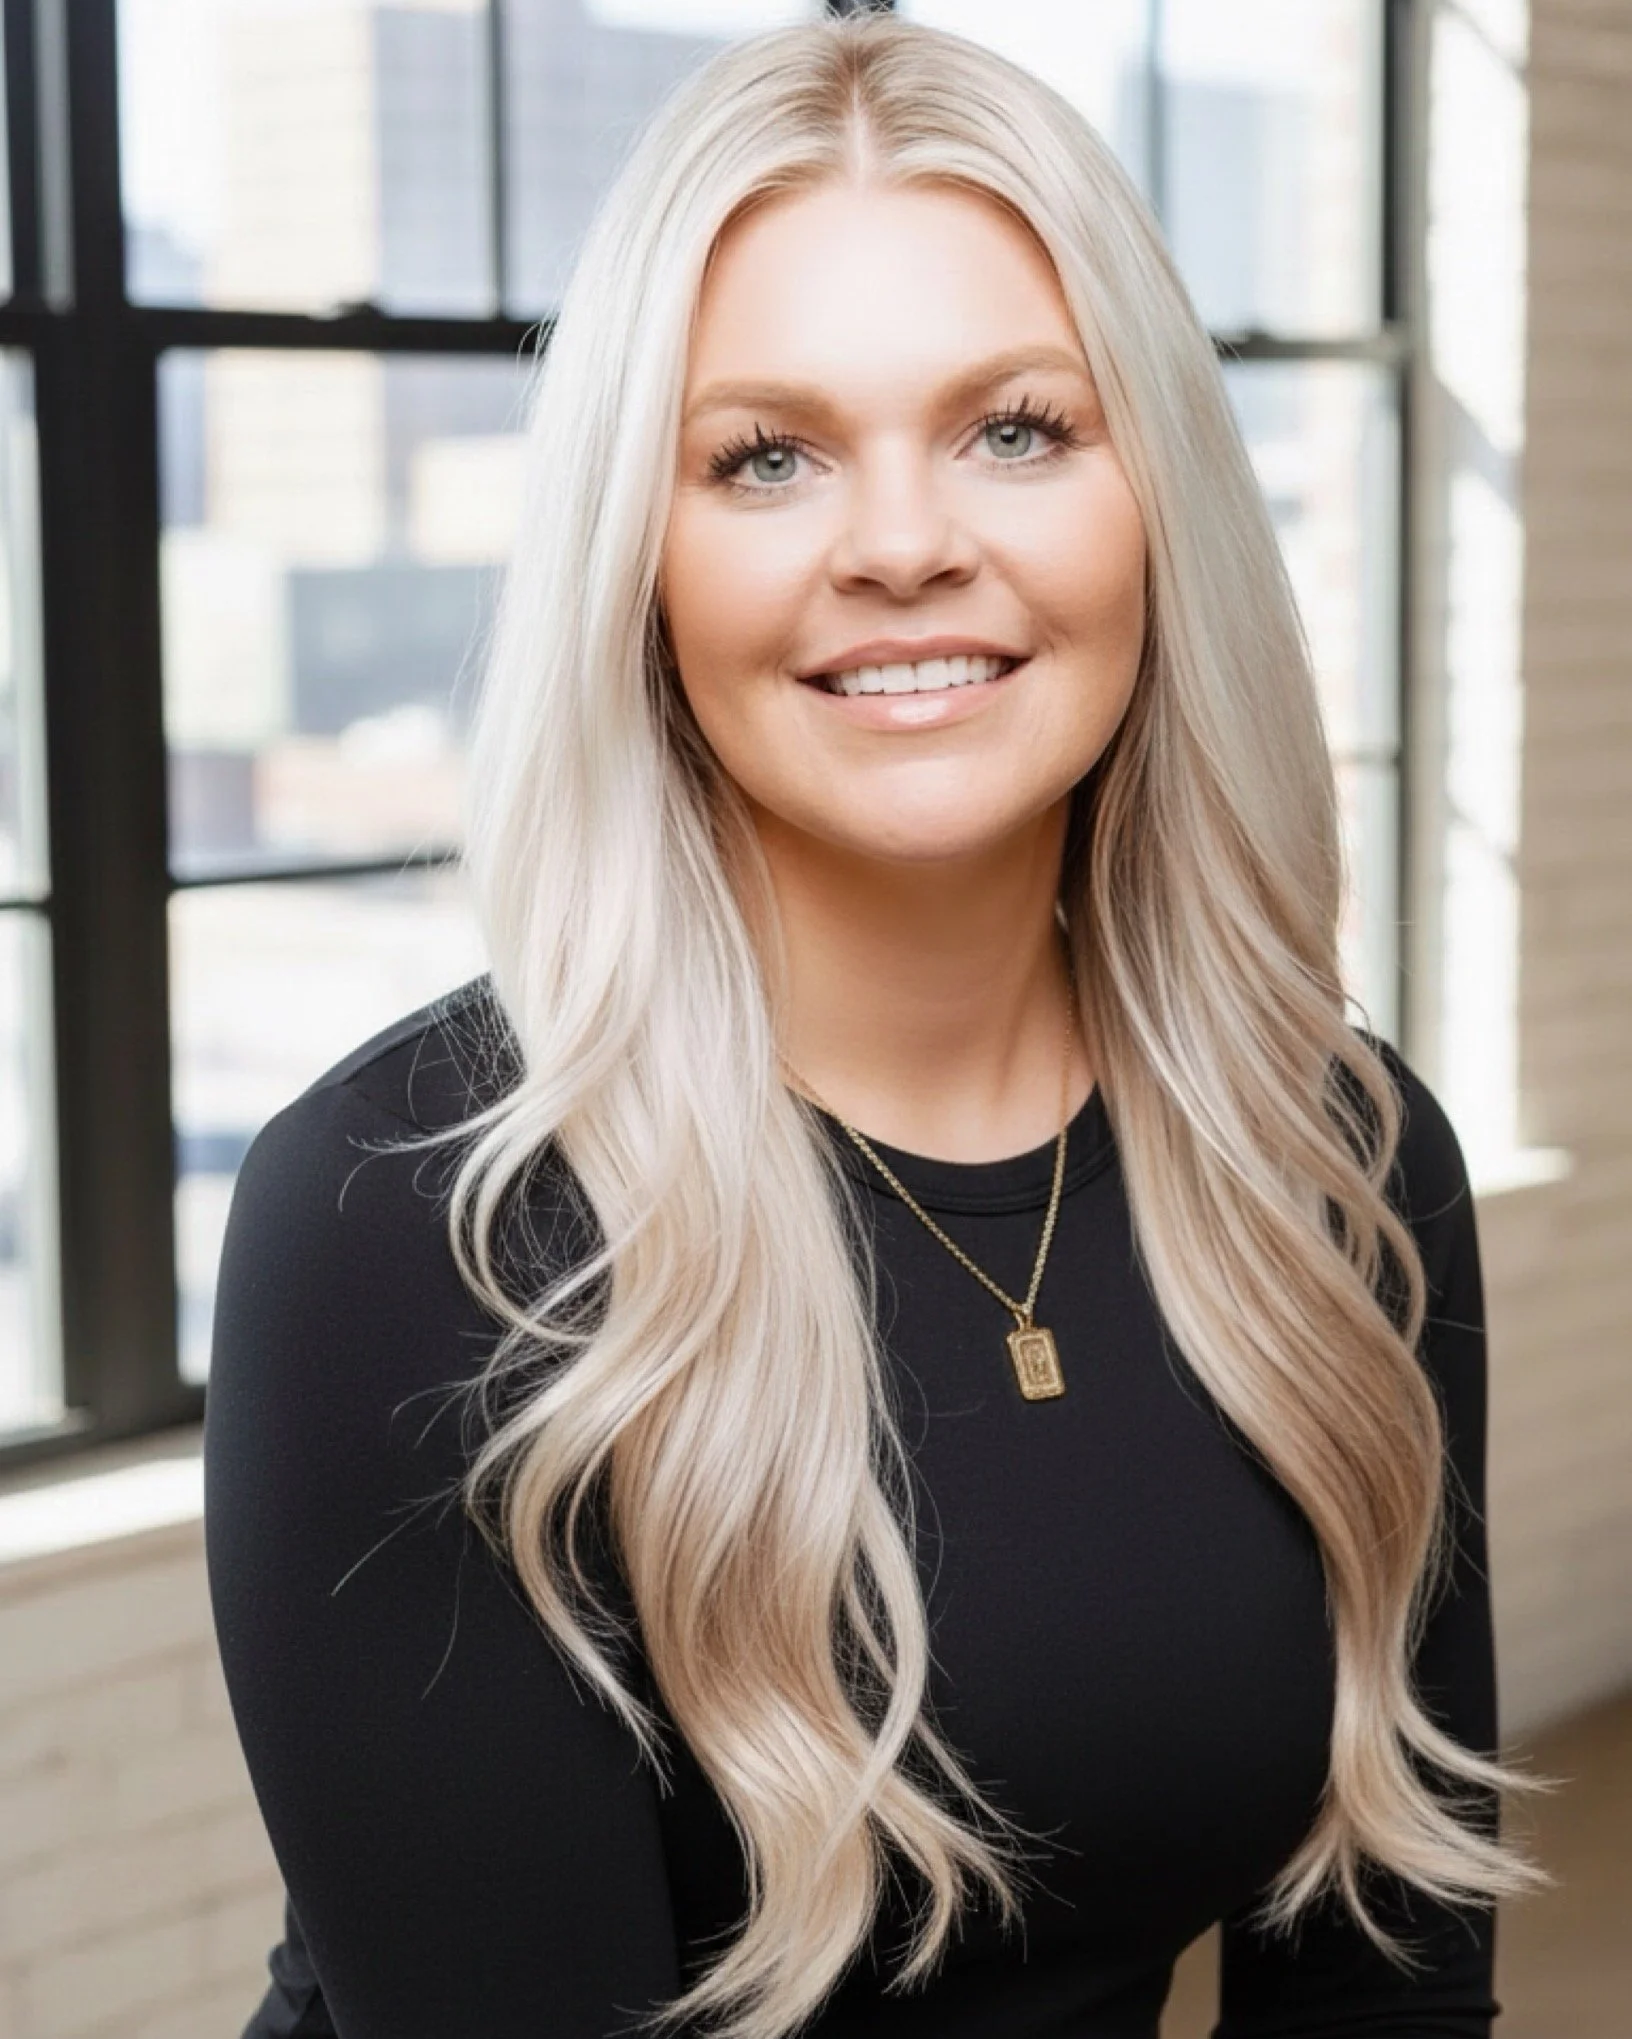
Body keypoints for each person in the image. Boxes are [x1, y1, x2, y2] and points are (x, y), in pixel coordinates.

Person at [203, 16, 1548, 2039]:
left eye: (1016, 427)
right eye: (766, 454)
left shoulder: (1342, 1156)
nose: (904, 542)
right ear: (640, 564)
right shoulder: (407, 1226)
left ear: (1155, 501)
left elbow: (1386, 1969)